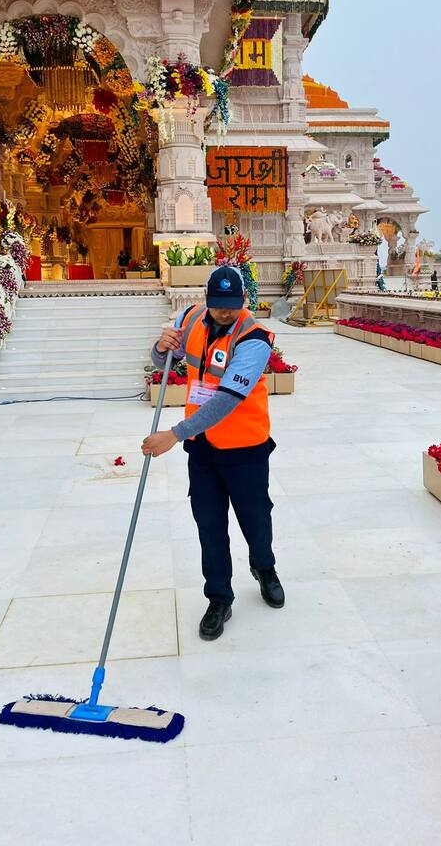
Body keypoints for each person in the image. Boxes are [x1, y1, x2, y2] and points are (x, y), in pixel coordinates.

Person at [142, 266, 284, 641]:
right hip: (203, 448)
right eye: (218, 304)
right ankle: (219, 598)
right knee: (210, 525)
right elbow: (164, 362)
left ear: (243, 299)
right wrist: (161, 347)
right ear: (207, 300)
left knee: (255, 518)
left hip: (246, 447)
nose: (225, 312)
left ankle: (264, 567)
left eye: (232, 304)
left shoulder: (254, 339)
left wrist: (174, 434)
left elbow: (226, 400)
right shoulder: (190, 318)